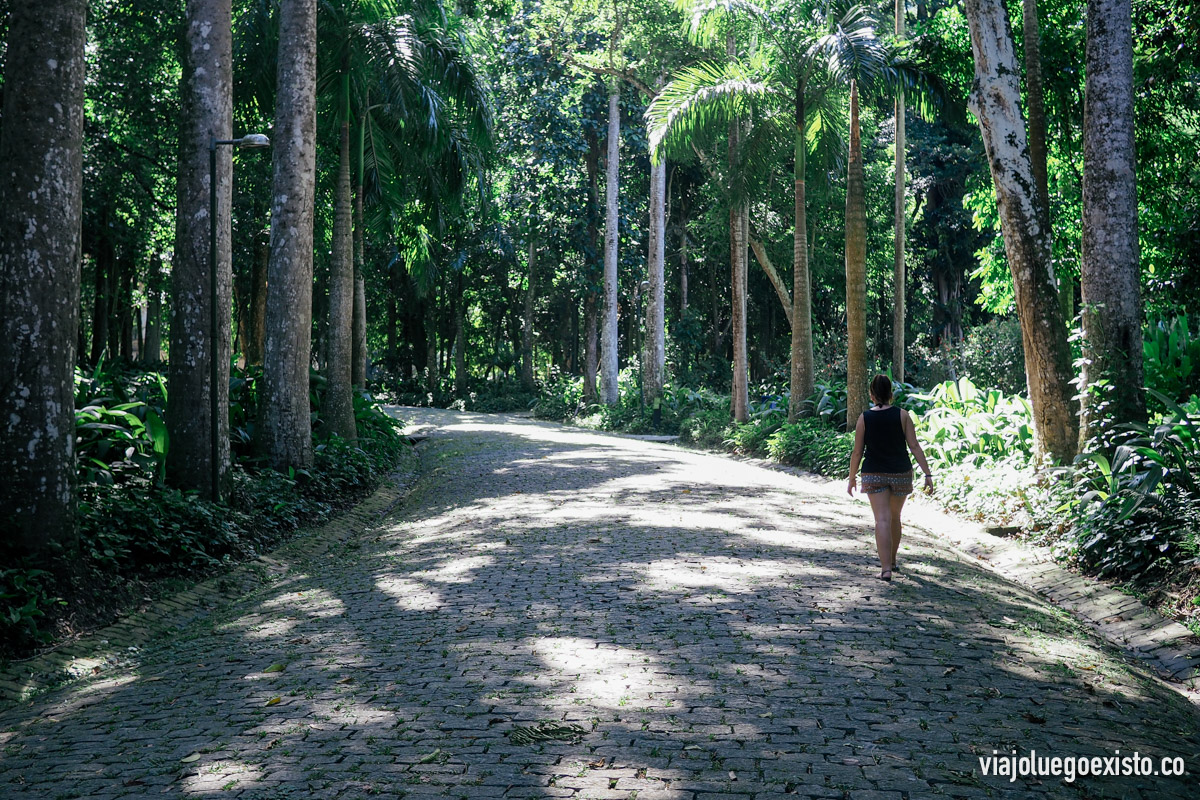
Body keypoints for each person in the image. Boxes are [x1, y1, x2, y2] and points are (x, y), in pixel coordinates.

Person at [847, 374, 934, 581]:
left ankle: (886, 569)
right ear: (890, 394)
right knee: (895, 517)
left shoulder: (864, 418)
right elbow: (914, 446)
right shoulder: (903, 415)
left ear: (872, 394)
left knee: (882, 519)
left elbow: (857, 452)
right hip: (900, 474)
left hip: (873, 473)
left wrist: (851, 478)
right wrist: (927, 473)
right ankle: (893, 561)